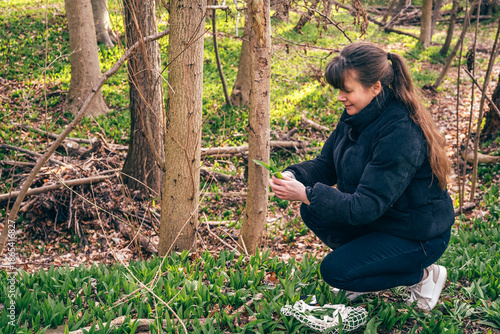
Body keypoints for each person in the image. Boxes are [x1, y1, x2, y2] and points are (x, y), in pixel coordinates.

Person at [269, 42, 455, 311]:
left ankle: (425, 276)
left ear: (375, 87)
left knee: (337, 272)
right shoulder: (354, 116)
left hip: (419, 237)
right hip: (384, 222)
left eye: (347, 90)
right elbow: (326, 165)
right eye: (339, 90)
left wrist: (307, 193)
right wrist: (292, 174)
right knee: (314, 211)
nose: (340, 97)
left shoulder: (401, 132)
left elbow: (365, 206)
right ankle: (366, 266)